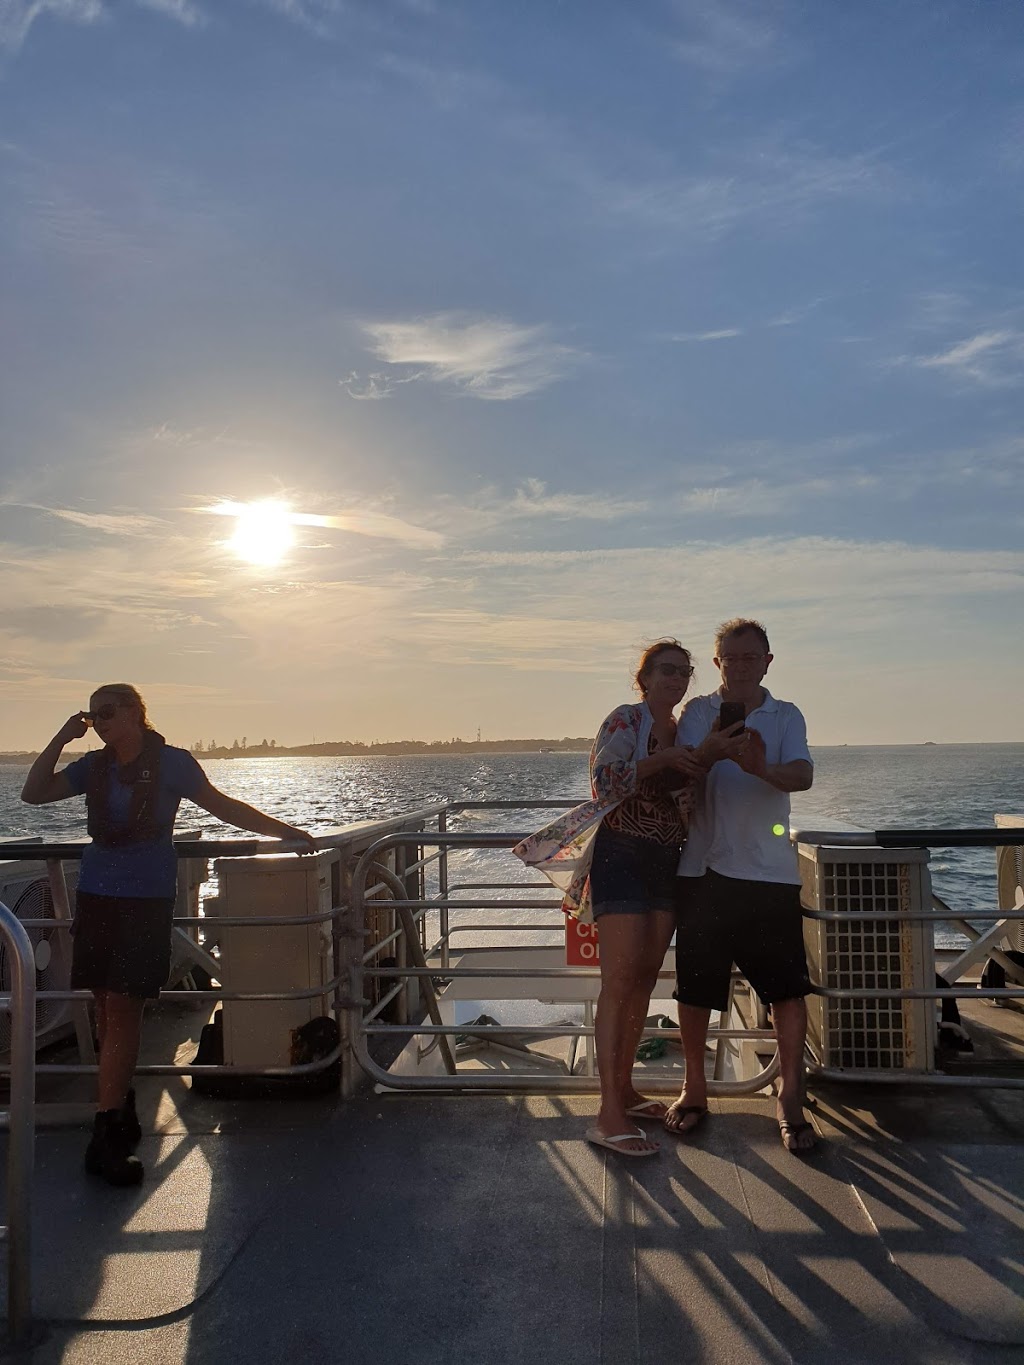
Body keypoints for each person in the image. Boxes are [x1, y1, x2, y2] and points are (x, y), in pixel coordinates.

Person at [22, 683, 316, 1187]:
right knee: (105, 1010)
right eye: (92, 715)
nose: (99, 721)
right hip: (96, 897)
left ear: (136, 712)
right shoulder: (92, 767)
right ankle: (119, 1112)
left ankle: (108, 1132)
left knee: (123, 1008)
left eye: (108, 712)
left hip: (144, 901)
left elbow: (223, 807)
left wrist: (284, 831)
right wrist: (61, 738)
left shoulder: (173, 764)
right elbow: (33, 793)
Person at [514, 641, 713, 1157]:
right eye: (667, 671)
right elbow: (604, 782)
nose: (677, 679)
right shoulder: (625, 721)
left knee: (646, 977)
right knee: (619, 979)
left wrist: (689, 793)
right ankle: (606, 1115)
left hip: (668, 859)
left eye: (684, 672)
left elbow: (683, 797)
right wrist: (662, 762)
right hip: (622, 855)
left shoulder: (685, 730)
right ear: (643, 677)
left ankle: (625, 1090)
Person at [666, 619, 816, 1152]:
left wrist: (760, 767)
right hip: (703, 869)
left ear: (768, 661)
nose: (741, 666)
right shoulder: (699, 713)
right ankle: (694, 1089)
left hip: (769, 872)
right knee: (696, 990)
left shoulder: (786, 715)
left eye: (750, 657)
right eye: (730, 658)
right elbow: (682, 774)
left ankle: (790, 1095)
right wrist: (708, 752)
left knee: (787, 991)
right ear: (717, 664)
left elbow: (802, 775)